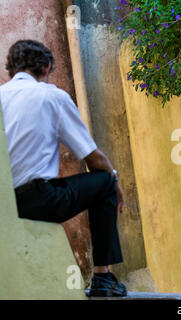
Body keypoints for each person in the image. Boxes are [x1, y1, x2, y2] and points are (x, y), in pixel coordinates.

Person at [0, 40, 127, 297]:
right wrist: (114, 179)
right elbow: (93, 157)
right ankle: (103, 278)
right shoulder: (51, 96)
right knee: (103, 181)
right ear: (47, 67)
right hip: (37, 201)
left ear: (10, 70)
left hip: (5, 205)